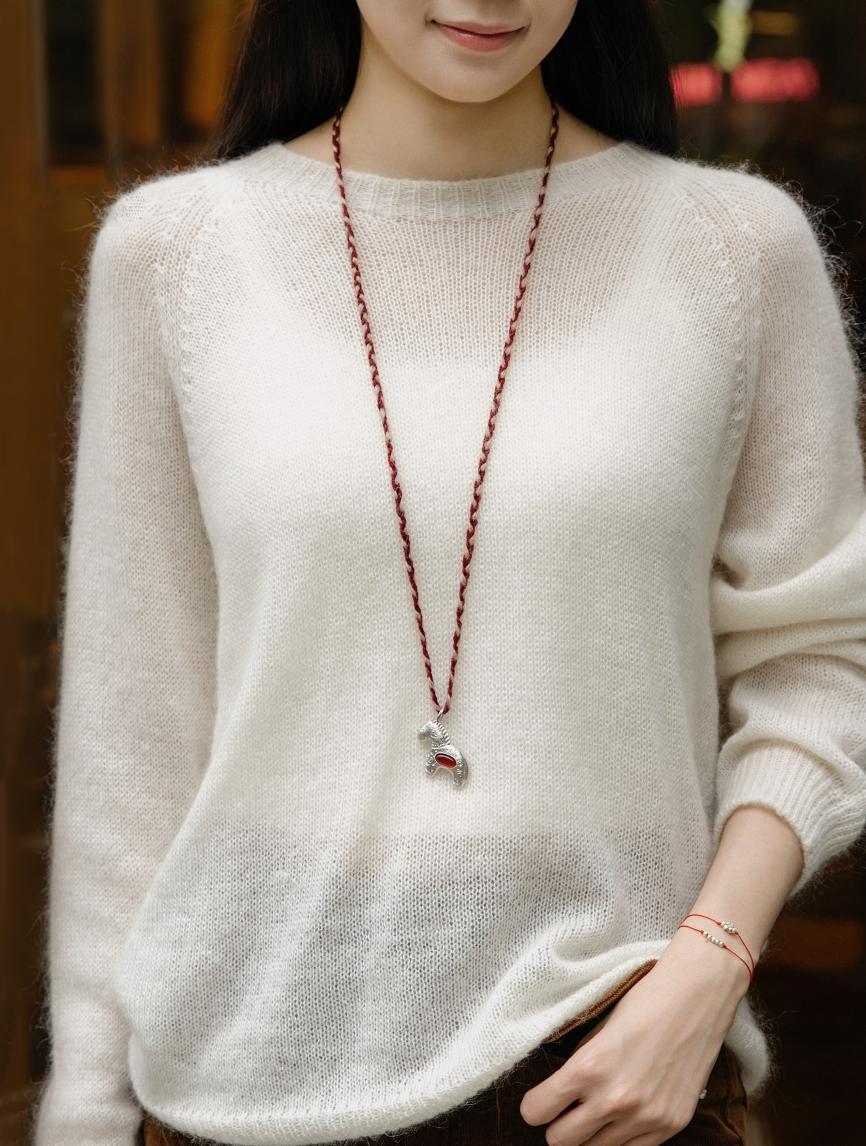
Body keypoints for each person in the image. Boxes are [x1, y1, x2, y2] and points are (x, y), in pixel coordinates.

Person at [33, 1, 866, 1144]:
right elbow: (131, 735)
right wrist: (84, 1110)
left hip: (612, 1066)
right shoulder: (172, 254)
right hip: (241, 1070)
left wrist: (709, 965)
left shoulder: (734, 250)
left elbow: (822, 662)